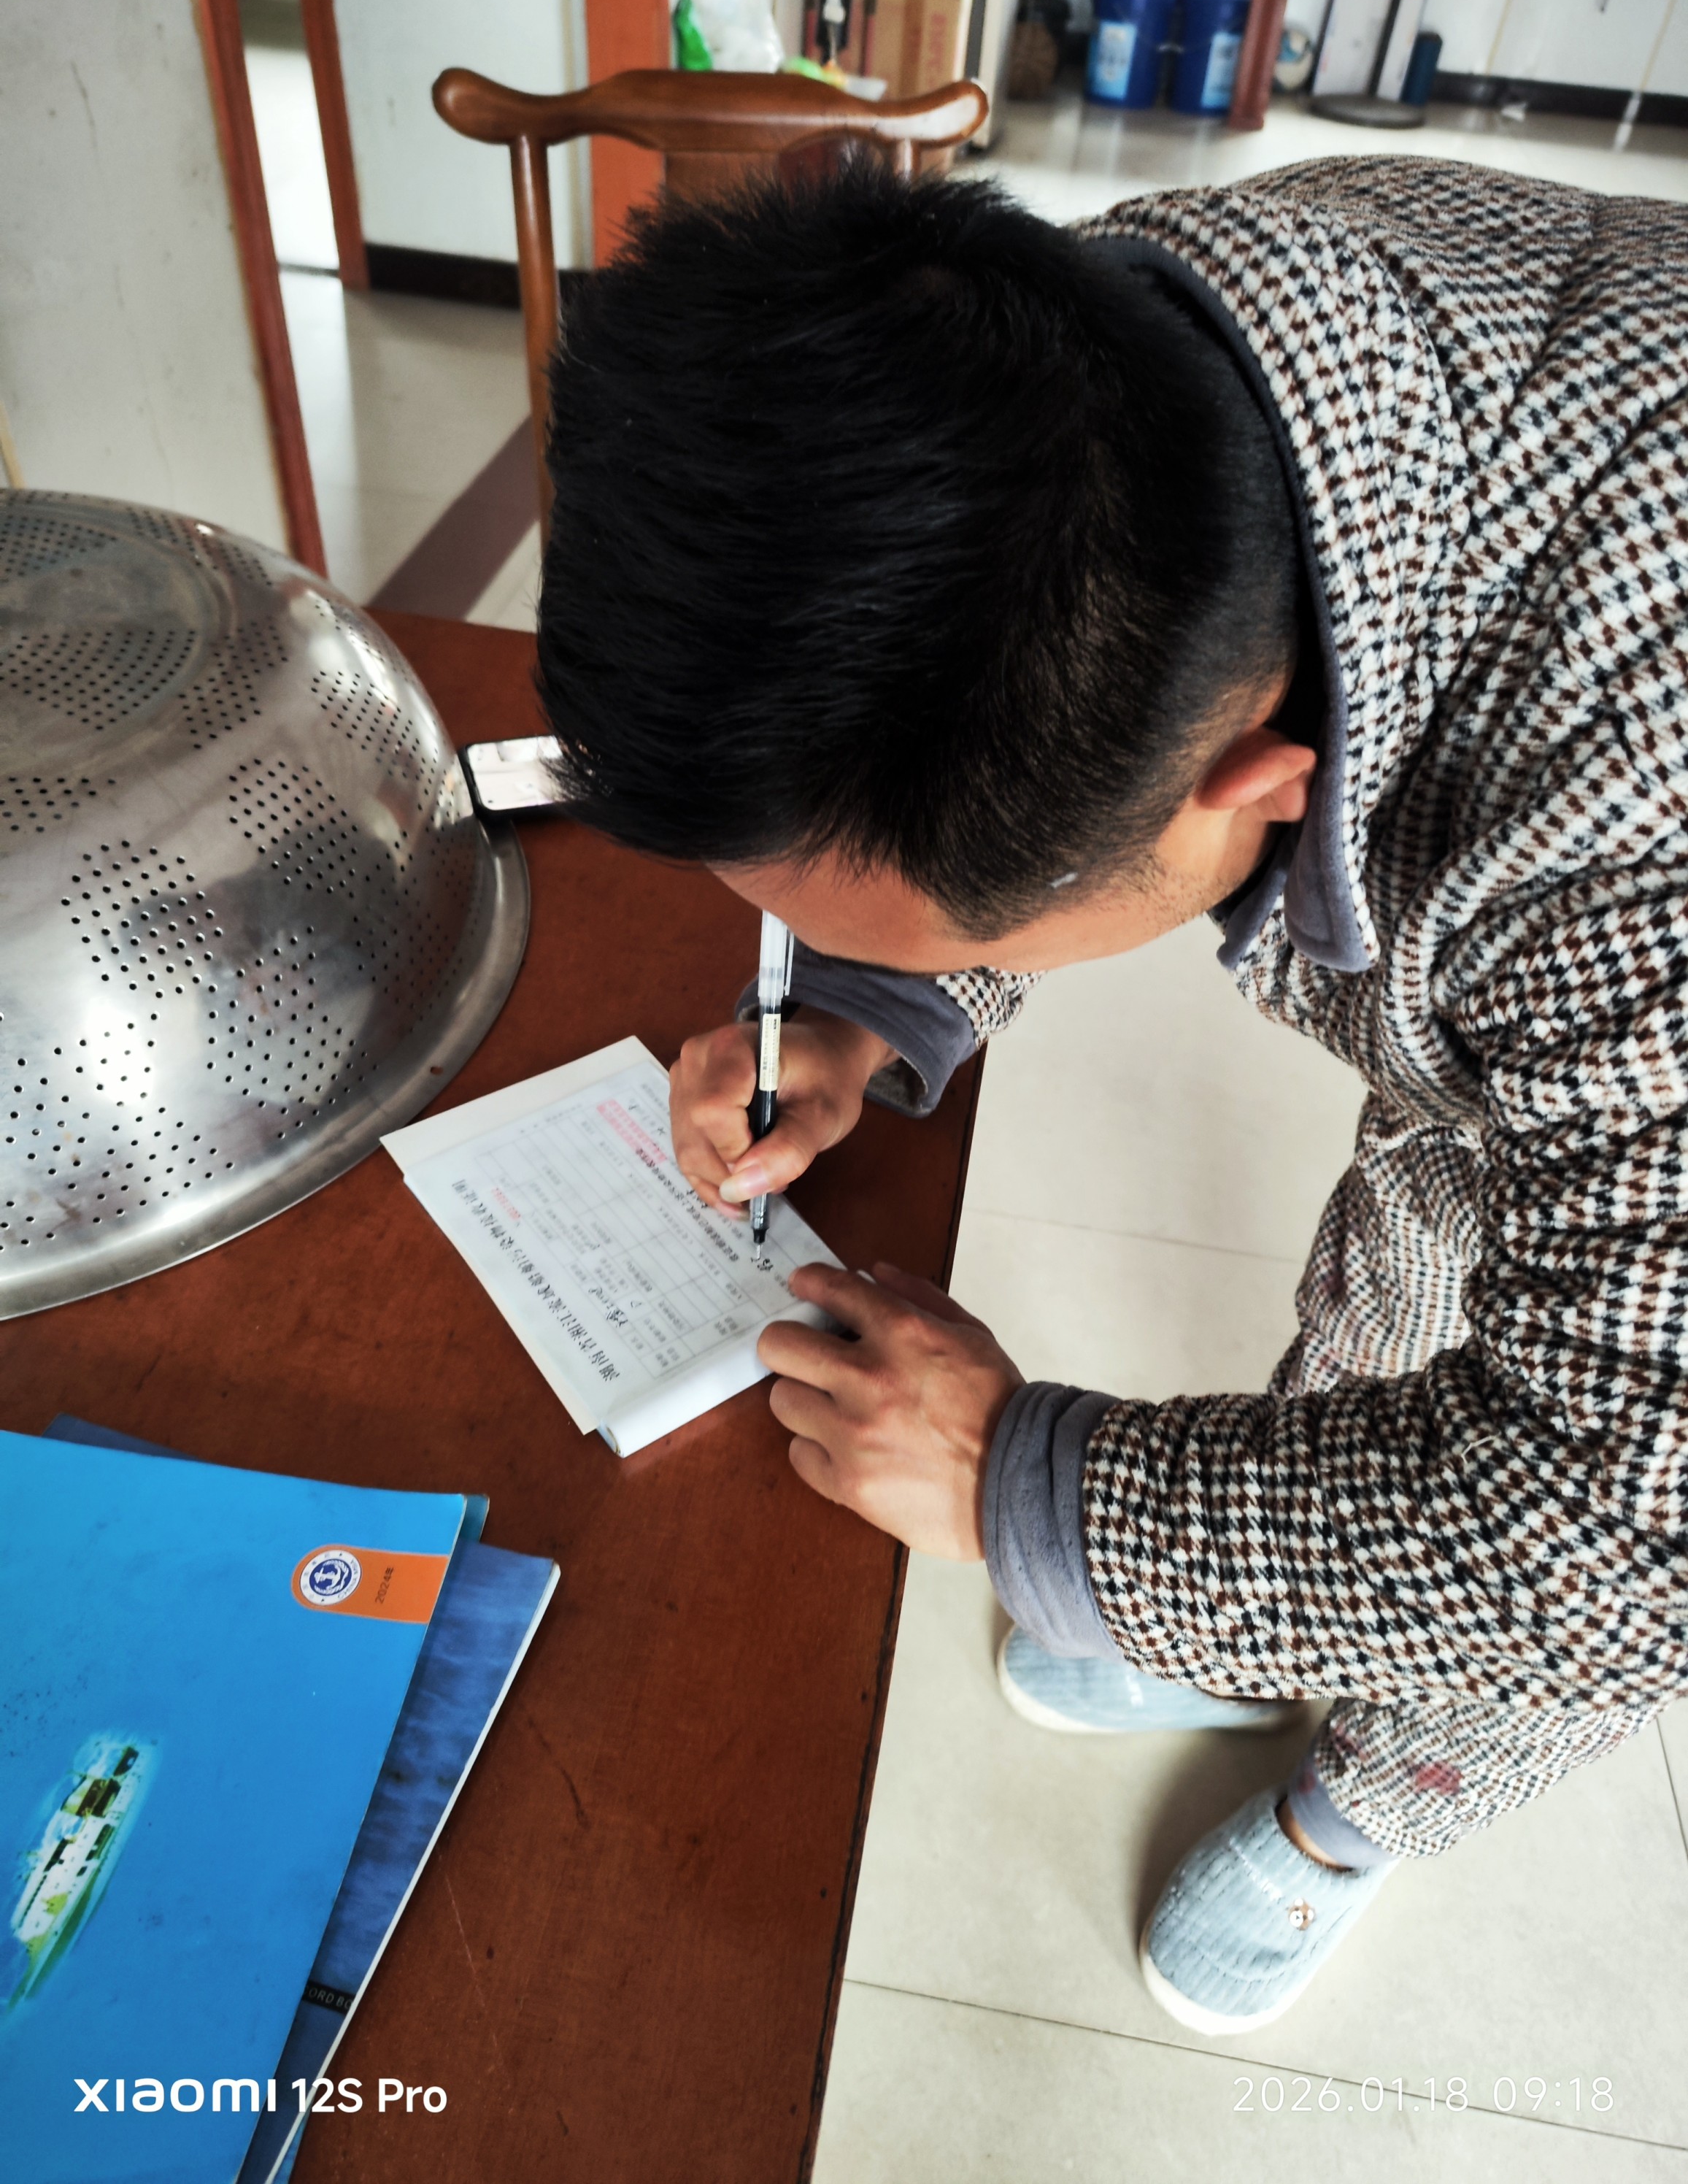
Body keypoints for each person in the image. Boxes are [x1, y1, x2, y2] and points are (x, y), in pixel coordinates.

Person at [534, 158, 1688, 2035]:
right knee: (1400, 1251)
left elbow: (1623, 1533)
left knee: (1541, 1546)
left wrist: (1035, 1489)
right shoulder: (1068, 357)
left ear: (1254, 798)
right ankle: (1245, 1632)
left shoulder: (1631, 857)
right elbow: (1024, 738)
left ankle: (1354, 1815)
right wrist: (859, 1004)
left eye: (949, 928)